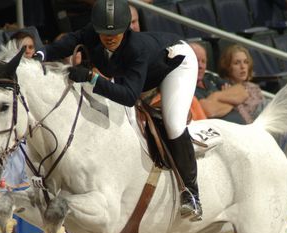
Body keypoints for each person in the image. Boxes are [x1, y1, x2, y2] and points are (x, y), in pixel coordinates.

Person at [37, 0, 202, 220]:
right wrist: (42, 54)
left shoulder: (136, 48)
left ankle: (191, 194)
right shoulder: (93, 32)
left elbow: (129, 96)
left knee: (173, 123)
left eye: (116, 33)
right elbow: (69, 42)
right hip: (141, 73)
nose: (110, 38)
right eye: (104, 32)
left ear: (126, 28)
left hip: (175, 65)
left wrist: (91, 78)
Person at [190, 42, 247, 124]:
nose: (200, 66)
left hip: (242, 126)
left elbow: (242, 92)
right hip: (221, 130)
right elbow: (208, 110)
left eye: (203, 61)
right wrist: (233, 102)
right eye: (196, 60)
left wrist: (216, 96)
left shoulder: (210, 77)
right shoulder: (187, 88)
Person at [218, 44, 266, 124]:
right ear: (227, 66)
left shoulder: (253, 87)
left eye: (246, 62)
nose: (243, 66)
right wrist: (235, 102)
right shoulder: (227, 91)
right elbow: (245, 122)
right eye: (237, 63)